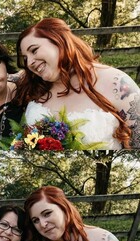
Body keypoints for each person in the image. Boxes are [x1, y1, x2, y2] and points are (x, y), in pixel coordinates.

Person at [16, 18, 140, 149]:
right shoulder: (33, 86)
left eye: (34, 50)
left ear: (59, 40)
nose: (29, 63)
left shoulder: (116, 83)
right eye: (25, 58)